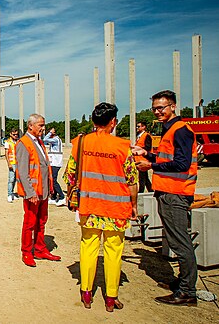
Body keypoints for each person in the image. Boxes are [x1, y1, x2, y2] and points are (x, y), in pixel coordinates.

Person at [64, 102, 138, 312]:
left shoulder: (81, 142)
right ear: (113, 122)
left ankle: (86, 292)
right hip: (116, 208)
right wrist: (133, 205)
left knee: (88, 246)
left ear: (94, 121)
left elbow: (70, 174)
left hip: (88, 205)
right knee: (114, 251)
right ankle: (110, 296)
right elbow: (132, 179)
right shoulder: (122, 146)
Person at [133, 90, 198, 306]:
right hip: (168, 191)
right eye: (155, 108)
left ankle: (187, 291)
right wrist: (147, 154)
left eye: (162, 107)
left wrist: (150, 165)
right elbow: (166, 157)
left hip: (176, 192)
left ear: (173, 106)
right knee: (175, 238)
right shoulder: (169, 129)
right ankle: (182, 283)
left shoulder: (180, 130)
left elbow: (181, 163)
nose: (158, 112)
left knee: (180, 241)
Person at [16, 114, 60, 267]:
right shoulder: (24, 143)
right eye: (40, 125)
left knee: (41, 221)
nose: (43, 128)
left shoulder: (39, 142)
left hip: (43, 191)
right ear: (31, 126)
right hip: (33, 193)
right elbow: (22, 171)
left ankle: (40, 249)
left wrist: (49, 187)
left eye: (43, 125)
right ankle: (27, 252)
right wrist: (30, 192)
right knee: (30, 223)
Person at [43, 127, 66, 206]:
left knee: (54, 180)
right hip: (54, 162)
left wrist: (50, 133)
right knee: (52, 180)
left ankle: (62, 197)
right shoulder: (56, 140)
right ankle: (53, 197)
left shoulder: (55, 139)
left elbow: (45, 139)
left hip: (56, 163)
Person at [135, 121, 153, 193]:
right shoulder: (139, 136)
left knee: (142, 177)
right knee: (145, 177)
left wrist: (139, 149)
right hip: (140, 159)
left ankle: (141, 192)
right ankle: (150, 190)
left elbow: (148, 148)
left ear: (143, 127)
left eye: (139, 126)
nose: (137, 128)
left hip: (144, 159)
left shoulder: (146, 136)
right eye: (137, 126)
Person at [4, 129, 19, 202]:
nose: (15, 136)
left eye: (16, 134)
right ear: (10, 134)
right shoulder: (7, 142)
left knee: (15, 179)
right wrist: (9, 163)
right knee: (11, 179)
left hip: (18, 163)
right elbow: (6, 153)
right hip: (12, 162)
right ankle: (9, 194)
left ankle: (12, 192)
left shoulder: (18, 142)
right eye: (14, 134)